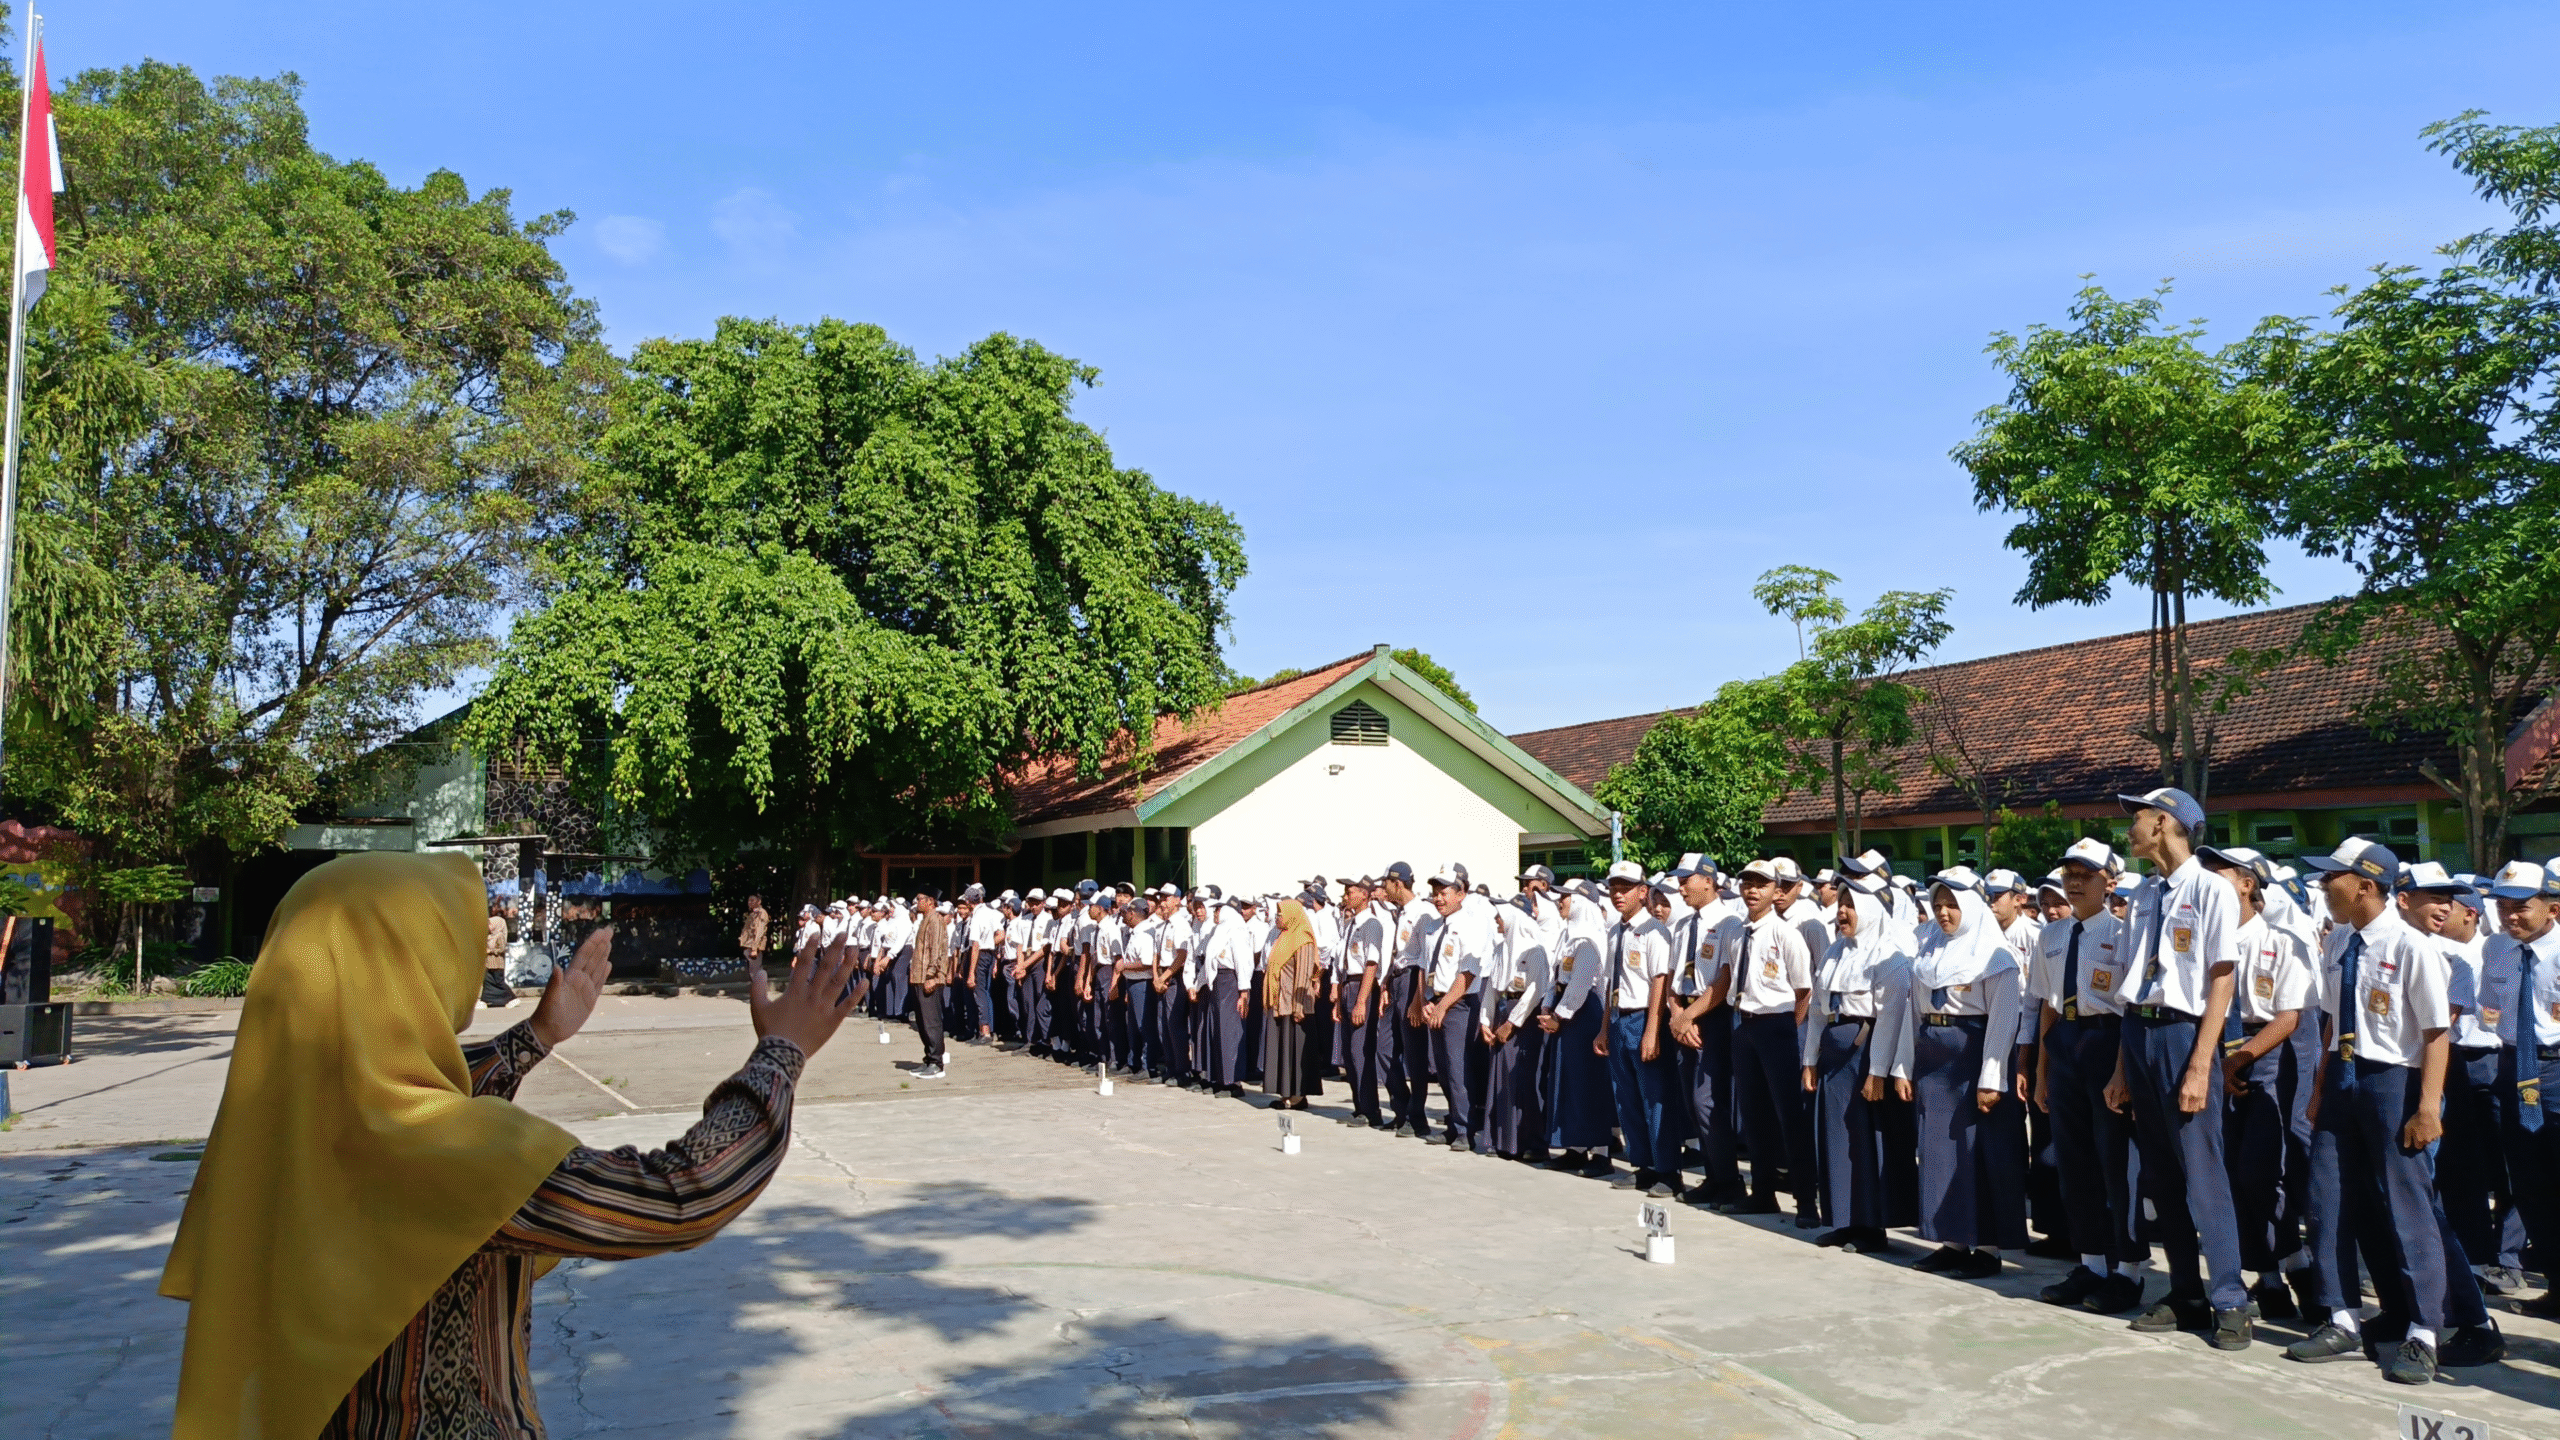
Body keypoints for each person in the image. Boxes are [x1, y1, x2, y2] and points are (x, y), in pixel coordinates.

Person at [159, 851, 862, 1440]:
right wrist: (781, 1053)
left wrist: (534, 1038)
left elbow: (412, 1090)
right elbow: (676, 1198)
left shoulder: (287, 1123)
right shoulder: (435, 1150)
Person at [2287, 844, 2497, 1383]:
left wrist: (2428, 1106)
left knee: (2408, 1206)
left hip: (2394, 1082)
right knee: (2328, 1197)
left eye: (2332, 877)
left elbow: (2435, 1033)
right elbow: (2334, 1020)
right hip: (2342, 1078)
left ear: (2364, 884)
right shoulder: (2339, 941)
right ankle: (2340, 1315)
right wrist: (2318, 1086)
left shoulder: (2411, 947)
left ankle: (2425, 1331)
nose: (2323, 886)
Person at [2104, 787, 2251, 1350]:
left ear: (2163, 822)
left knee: (2202, 1171)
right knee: (2161, 1173)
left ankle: (2231, 1298)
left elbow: (2220, 978)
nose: (2131, 827)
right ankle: (2186, 1292)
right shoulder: (2144, 894)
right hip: (2140, 1032)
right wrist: (2121, 1066)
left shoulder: (2211, 888)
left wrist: (2199, 1064)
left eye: (2138, 817)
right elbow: (2129, 985)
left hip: (2185, 1034)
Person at [2028, 839, 2146, 1315]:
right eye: (2069, 874)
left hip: (2106, 1043)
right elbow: (2046, 1008)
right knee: (2072, 1161)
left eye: (2086, 874)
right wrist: (2040, 1072)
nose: (2074, 882)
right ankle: (2093, 1262)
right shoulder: (2051, 936)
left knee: (2116, 1162)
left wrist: (2121, 1071)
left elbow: (2130, 1010)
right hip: (2066, 1046)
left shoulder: (2123, 935)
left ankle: (2129, 1270)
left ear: (2109, 882)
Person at [2202, 845, 2319, 1319]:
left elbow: (2289, 1017)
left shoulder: (2281, 941)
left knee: (2262, 1173)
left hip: (2264, 1056)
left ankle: (2297, 1262)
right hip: (2219, 1053)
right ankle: (2270, 1277)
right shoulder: (2207, 944)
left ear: (2247, 885)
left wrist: (2238, 1061)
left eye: (2219, 877)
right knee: (2231, 1176)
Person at [1894, 867, 2027, 1279]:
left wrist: (1991, 1078)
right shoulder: (1930, 951)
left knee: (1978, 1155)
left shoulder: (1996, 955)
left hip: (1972, 1058)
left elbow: (2004, 1020)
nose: (1944, 913)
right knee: (1939, 1152)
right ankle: (1951, 1241)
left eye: (1952, 905)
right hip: (1934, 1058)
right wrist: (1903, 1066)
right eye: (1937, 905)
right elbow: (1911, 1014)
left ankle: (1986, 1248)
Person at [1802, 874, 1911, 1252]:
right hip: (1834, 1052)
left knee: (1865, 1140)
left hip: (1865, 1052)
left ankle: (1871, 1226)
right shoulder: (1835, 952)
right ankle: (1842, 1219)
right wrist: (1810, 1058)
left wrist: (1878, 1071)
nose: (1842, 912)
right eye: (1841, 904)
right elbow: (1819, 1010)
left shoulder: (1887, 955)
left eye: (1850, 905)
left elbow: (1891, 1016)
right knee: (1835, 1136)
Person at [2482, 860, 2560, 1317]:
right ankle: (2556, 1284)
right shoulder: (2497, 949)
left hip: (2557, 1068)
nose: (2510, 916)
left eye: (2521, 908)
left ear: (2552, 908)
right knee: (2530, 1184)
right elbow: (2489, 1007)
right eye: (2503, 907)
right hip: (2513, 1068)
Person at [1727, 858, 1818, 1224]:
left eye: (1761, 885)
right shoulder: (1737, 933)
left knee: (1789, 1116)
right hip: (1745, 1023)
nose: (1752, 890)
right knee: (1753, 1114)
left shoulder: (1786, 933)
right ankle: (1762, 1191)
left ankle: (1806, 1200)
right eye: (1747, 883)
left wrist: (1788, 1028)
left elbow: (1803, 989)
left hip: (1777, 1025)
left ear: (1776, 891)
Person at [1664, 854, 1744, 1208]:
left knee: (1709, 1101)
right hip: (1685, 1014)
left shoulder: (1729, 922)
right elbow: (1672, 976)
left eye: (1687, 880)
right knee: (1691, 1102)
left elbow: (1724, 979)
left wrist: (1689, 1016)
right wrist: (1676, 1012)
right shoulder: (1682, 925)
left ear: (1709, 880)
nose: (1681, 887)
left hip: (1713, 1015)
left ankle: (1730, 1180)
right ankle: (1713, 1177)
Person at [1599, 858, 1680, 1197]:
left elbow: (1660, 981)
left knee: (1654, 1098)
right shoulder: (1616, 931)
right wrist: (1604, 1027)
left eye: (1625, 888)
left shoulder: (1654, 931)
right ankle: (1642, 1164)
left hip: (1644, 1018)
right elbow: (1609, 983)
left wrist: (1652, 1029)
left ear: (1642, 892)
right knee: (1626, 1096)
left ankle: (1667, 1170)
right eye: (1614, 888)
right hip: (1620, 1017)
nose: (1618, 894)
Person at [1412, 865, 1491, 1149]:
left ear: (1461, 894)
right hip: (1435, 1003)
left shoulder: (1470, 925)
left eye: (1443, 893)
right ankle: (1453, 1121)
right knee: (1442, 1070)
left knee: (1458, 1071)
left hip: (1457, 1006)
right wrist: (1423, 1002)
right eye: (1435, 893)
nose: (1438, 899)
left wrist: (1444, 1005)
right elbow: (1422, 967)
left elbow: (1467, 973)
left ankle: (1464, 1130)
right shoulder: (1433, 926)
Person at [1540, 878, 1614, 1177]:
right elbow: (1555, 974)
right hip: (1566, 1013)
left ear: (1581, 902)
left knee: (1589, 1083)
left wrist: (1559, 1014)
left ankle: (1599, 1153)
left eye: (1565, 898)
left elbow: (1581, 983)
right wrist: (1548, 1004)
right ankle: (1574, 1147)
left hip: (1583, 1015)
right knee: (1568, 1082)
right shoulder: (1568, 937)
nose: (1560, 902)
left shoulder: (1589, 940)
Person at [1481, 894, 1552, 1160]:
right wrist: (1485, 1021)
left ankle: (1530, 1143)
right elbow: (1492, 986)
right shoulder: (1502, 949)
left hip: (1525, 1021)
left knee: (1523, 1080)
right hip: (1503, 1014)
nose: (1497, 921)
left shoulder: (1535, 951)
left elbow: (1535, 991)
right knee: (1501, 1079)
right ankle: (1502, 1141)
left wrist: (1512, 1023)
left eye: (1500, 916)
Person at [1335, 876, 1392, 1128]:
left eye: (1351, 892)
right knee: (1349, 1052)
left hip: (1362, 987)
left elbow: (1371, 964)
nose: (1346, 896)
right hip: (1349, 985)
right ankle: (1360, 1106)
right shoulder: (1350, 924)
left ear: (1365, 895)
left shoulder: (1371, 924)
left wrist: (1361, 1001)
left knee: (1361, 1051)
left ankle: (1371, 1110)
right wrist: (1339, 999)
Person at [1260, 898, 1328, 1107]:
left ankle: (1298, 1095)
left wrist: (1299, 1006)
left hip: (1295, 1004)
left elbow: (1304, 975)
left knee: (1296, 1051)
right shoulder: (1283, 937)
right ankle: (1285, 1094)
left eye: (1281, 914)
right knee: (1283, 1049)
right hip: (1281, 1002)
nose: (1277, 918)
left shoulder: (1303, 939)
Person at [911, 889, 954, 1079]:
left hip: (930, 978)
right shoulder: (924, 920)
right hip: (919, 977)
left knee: (931, 1022)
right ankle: (929, 1058)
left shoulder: (936, 920)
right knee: (922, 1022)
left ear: (930, 901)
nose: (916, 901)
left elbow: (936, 951)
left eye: (920, 899)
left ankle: (937, 1062)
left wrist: (931, 976)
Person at [483, 899, 516, 1009]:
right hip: (488, 963)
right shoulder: (488, 936)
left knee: (498, 981)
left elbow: (501, 948)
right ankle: (486, 1000)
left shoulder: (499, 936)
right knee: (487, 981)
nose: (489, 926)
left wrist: (490, 951)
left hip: (497, 963)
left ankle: (512, 998)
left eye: (491, 924)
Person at [739, 893, 770, 967]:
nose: (750, 902)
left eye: (752, 900)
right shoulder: (752, 914)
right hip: (749, 946)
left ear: (759, 902)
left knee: (755, 970)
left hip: (755, 947)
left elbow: (760, 931)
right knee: (752, 970)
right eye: (749, 900)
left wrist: (754, 948)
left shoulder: (761, 913)